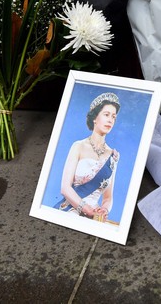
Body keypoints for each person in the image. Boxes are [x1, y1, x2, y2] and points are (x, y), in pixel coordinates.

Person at [54, 92, 120, 223]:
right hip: (72, 209)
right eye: (106, 115)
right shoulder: (78, 146)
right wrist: (86, 209)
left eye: (113, 117)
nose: (110, 120)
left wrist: (104, 210)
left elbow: (107, 198)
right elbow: (65, 188)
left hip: (95, 215)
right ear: (95, 117)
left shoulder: (113, 156)